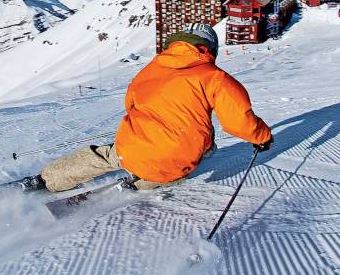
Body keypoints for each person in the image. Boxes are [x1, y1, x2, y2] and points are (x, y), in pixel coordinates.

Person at [23, 23, 273, 192]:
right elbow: (238, 122)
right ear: (209, 48)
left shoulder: (149, 70)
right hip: (179, 160)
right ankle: (141, 183)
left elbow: (130, 106)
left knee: (106, 156)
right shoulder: (216, 78)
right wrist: (262, 137)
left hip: (132, 150)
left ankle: (46, 181)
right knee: (203, 148)